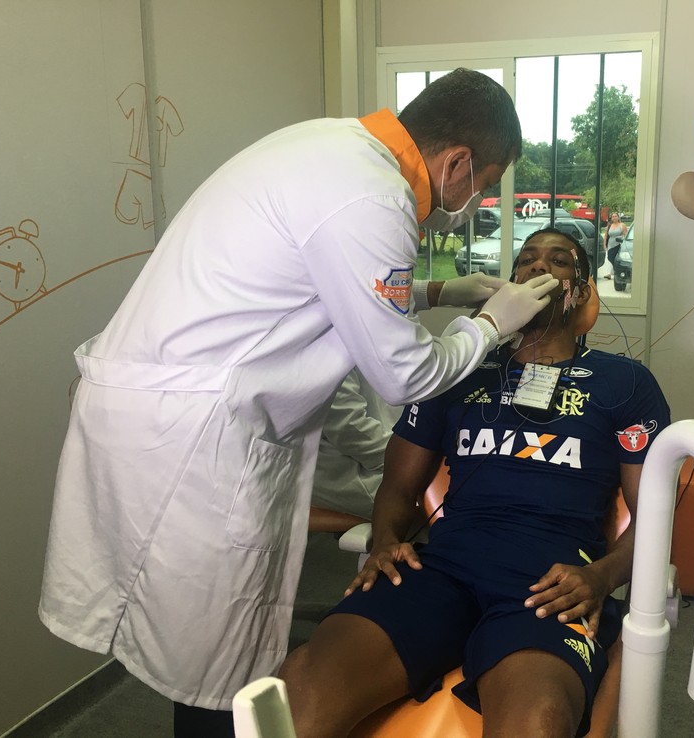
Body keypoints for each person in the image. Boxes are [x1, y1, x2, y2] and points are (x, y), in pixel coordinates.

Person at [38, 67, 561, 735]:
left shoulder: (327, 147)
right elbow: (403, 376)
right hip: (195, 440)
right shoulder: (374, 198)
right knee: (215, 667)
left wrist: (437, 293)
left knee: (203, 650)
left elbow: (320, 285)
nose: (470, 203)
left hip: (169, 413)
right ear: (456, 161)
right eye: (481, 188)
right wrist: (490, 326)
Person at [279, 228, 671, 737]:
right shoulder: (458, 369)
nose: (537, 267)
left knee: (539, 720)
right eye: (526, 260)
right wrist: (385, 541)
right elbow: (398, 487)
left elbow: (654, 517)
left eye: (558, 261)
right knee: (305, 687)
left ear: (582, 290)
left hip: (550, 584)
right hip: (442, 568)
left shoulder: (625, 383)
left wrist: (601, 576)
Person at [312, 367, 400, 520]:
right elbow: (347, 426)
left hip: (396, 449)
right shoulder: (324, 355)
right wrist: (412, 458)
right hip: (352, 469)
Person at [602, 212, 626, 279]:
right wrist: (604, 245)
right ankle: (614, 271)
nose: (614, 217)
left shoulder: (622, 225)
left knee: (616, 259)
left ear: (618, 217)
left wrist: (623, 243)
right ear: (611, 218)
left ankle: (612, 273)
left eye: (615, 216)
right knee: (610, 257)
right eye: (613, 216)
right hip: (610, 244)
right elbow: (606, 236)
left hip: (619, 244)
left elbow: (625, 235)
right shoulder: (609, 226)